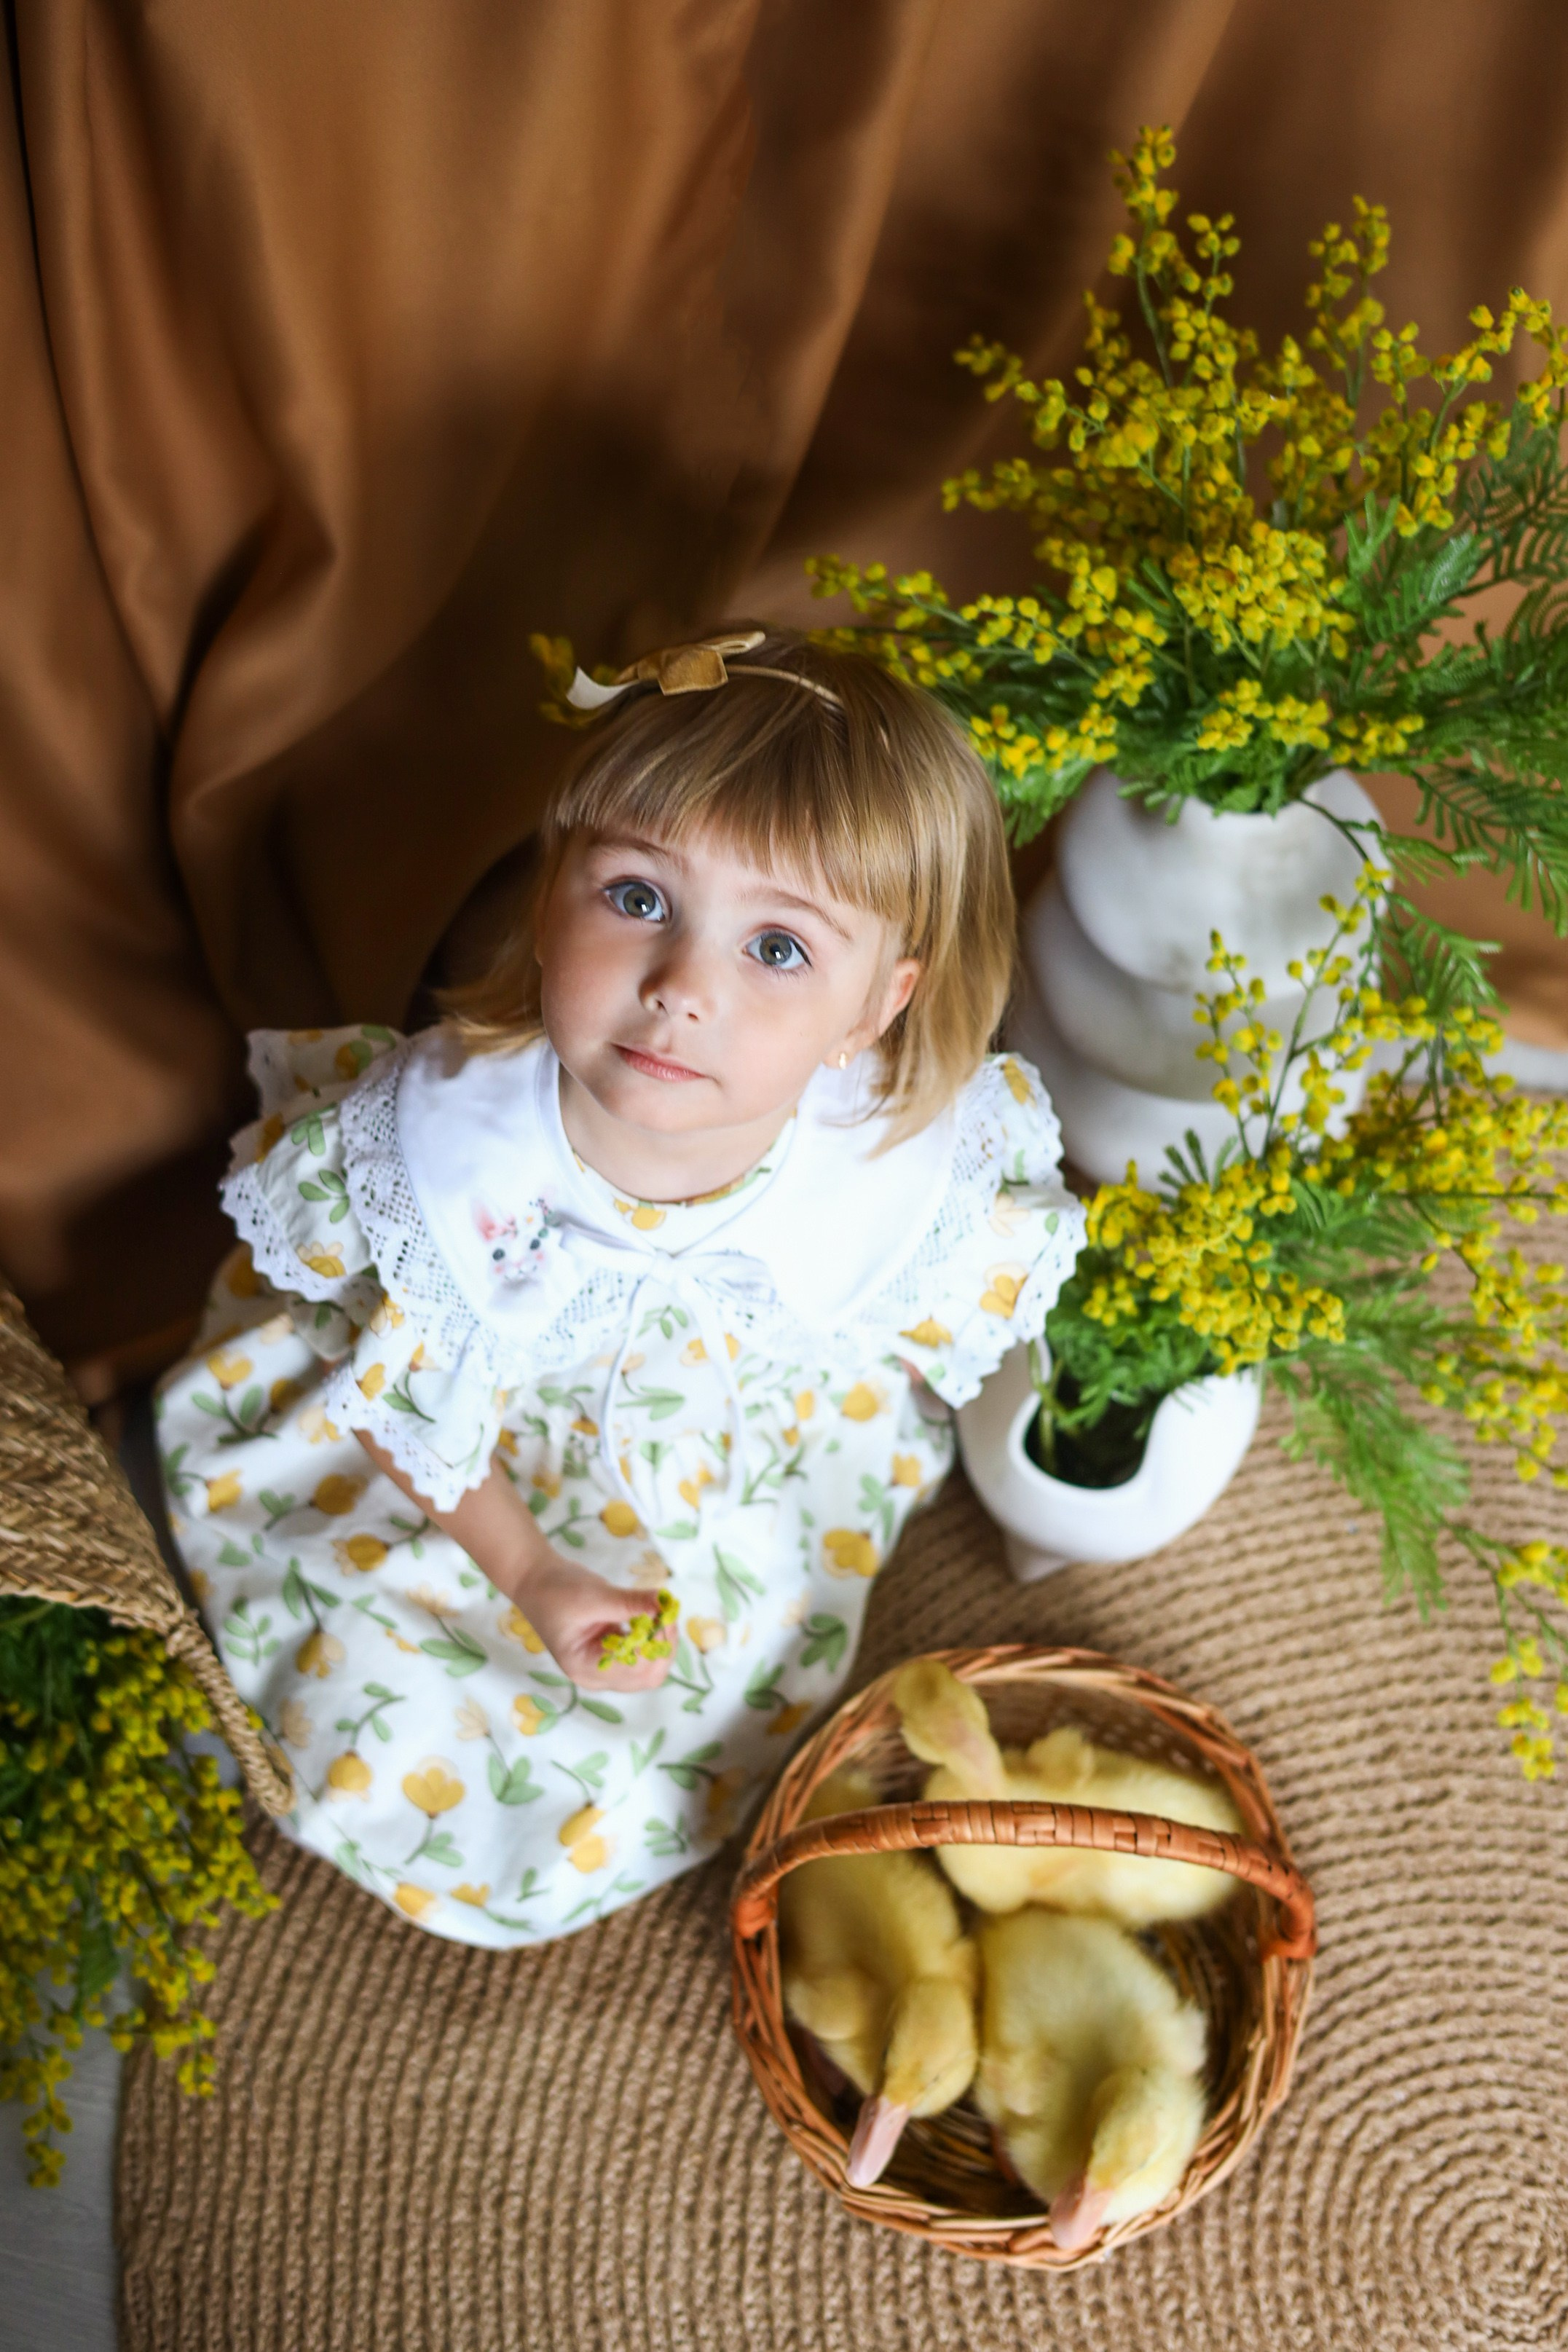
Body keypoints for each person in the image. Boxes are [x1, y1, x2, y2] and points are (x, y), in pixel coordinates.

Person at [155, 625, 1084, 1946]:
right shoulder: (449, 1151)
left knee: (711, 1671)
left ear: (875, 1007)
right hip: (464, 1457)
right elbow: (396, 1405)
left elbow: (882, 1312)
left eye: (778, 950)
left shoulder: (878, 1154)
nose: (679, 988)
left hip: (717, 1428)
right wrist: (530, 1569)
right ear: (552, 895)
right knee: (395, 1691)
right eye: (640, 898)